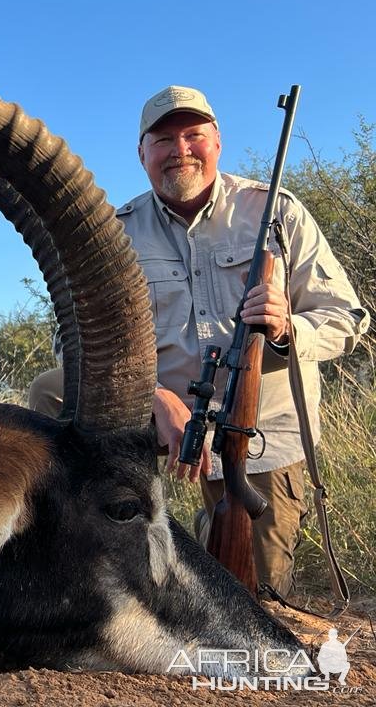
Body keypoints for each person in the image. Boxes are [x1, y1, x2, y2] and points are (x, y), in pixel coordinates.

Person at [29, 85, 369, 597]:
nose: (180, 149)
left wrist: (286, 329)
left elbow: (347, 317)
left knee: (252, 598)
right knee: (51, 390)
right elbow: (70, 342)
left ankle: (210, 542)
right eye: (163, 139)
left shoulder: (278, 212)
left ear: (218, 141)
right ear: (141, 153)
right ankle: (73, 552)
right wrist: (150, 394)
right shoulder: (112, 233)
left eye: (193, 135)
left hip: (258, 435)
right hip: (154, 419)